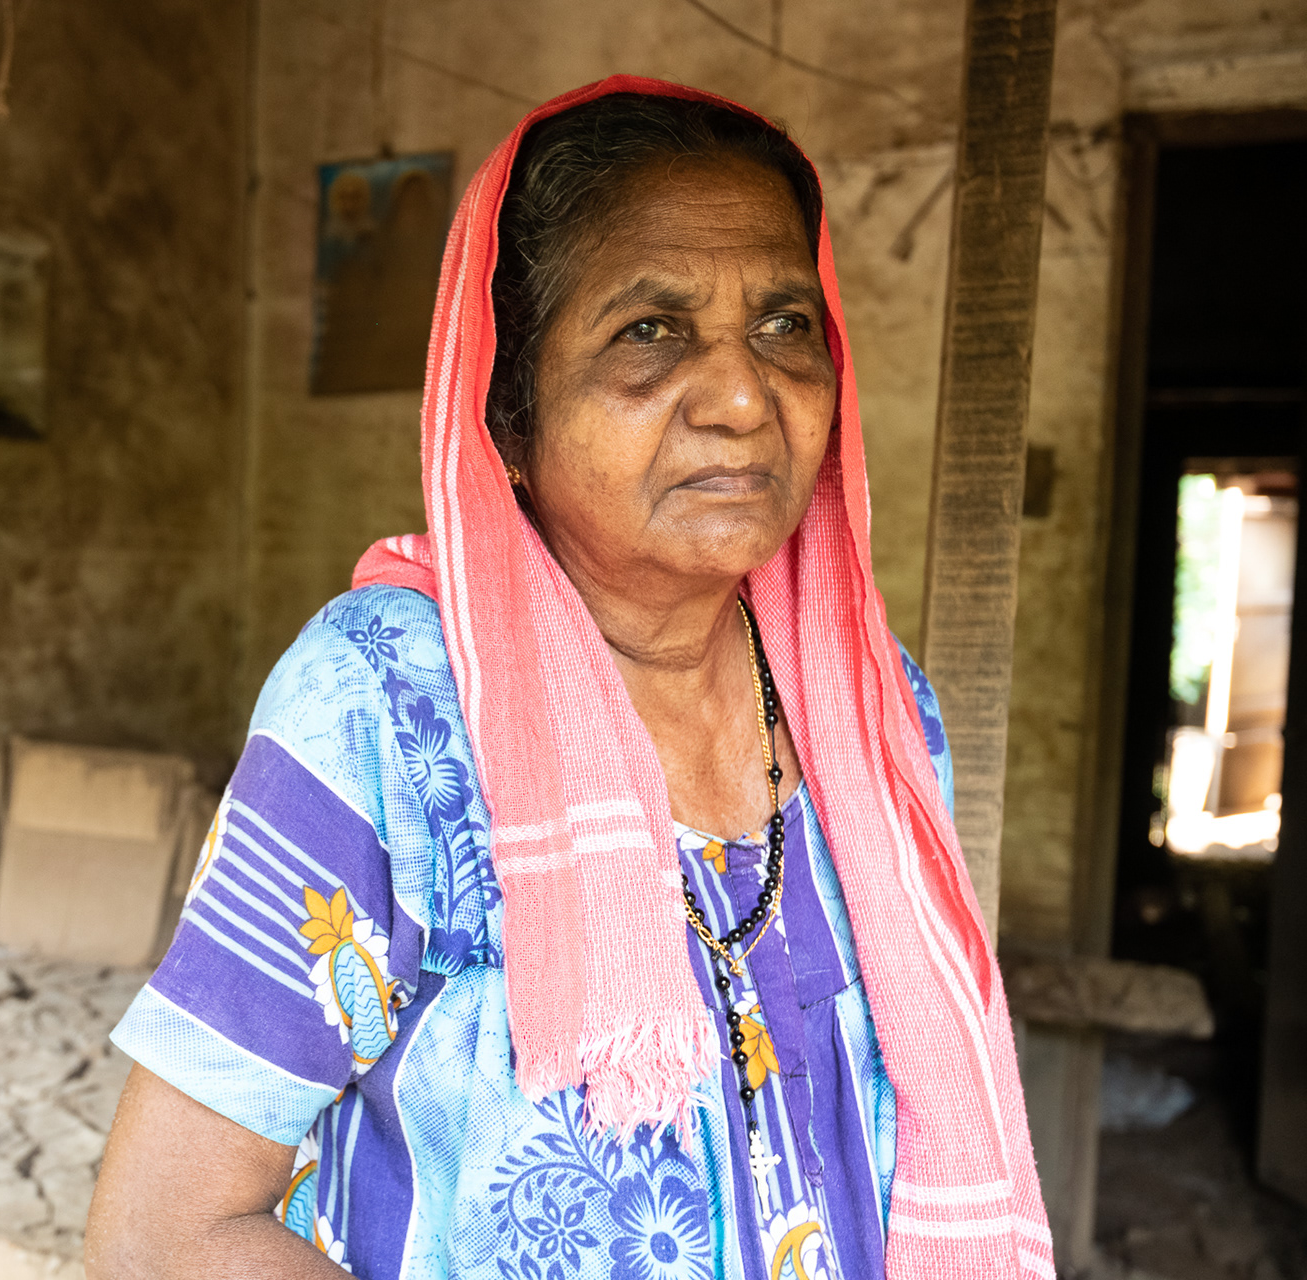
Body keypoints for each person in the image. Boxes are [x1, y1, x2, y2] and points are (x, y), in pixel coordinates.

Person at [85, 77, 1051, 1280]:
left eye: (785, 324)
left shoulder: (876, 703)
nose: (746, 394)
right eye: (650, 332)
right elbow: (163, 1232)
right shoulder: (388, 701)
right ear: (507, 411)